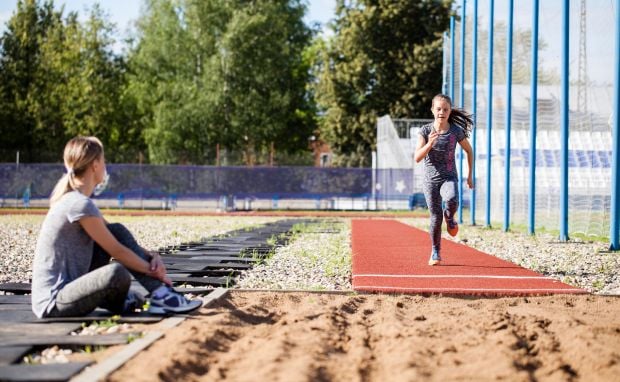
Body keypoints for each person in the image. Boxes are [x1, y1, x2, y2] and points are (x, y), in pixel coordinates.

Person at [31, 136, 202, 318]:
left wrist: (152, 256)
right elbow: (117, 250)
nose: (105, 166)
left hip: (70, 289)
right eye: (104, 161)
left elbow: (115, 237)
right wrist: (152, 270)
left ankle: (157, 295)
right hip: (54, 301)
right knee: (116, 273)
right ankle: (155, 296)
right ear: (95, 165)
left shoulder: (78, 202)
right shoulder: (78, 204)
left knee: (116, 230)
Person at [414, 94, 474, 266]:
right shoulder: (425, 131)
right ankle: (435, 252)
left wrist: (469, 175)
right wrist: (429, 144)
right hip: (430, 180)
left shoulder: (455, 131)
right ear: (432, 110)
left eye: (445, 109)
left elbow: (469, 151)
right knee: (435, 216)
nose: (442, 112)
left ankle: (450, 218)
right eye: (438, 109)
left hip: (449, 176)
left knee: (452, 199)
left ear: (449, 111)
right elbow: (417, 157)